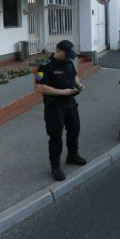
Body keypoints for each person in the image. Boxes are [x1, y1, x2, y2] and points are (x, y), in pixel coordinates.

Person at [35, 40, 86, 181]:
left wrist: (78, 84)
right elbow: (40, 88)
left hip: (70, 103)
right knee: (56, 137)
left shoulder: (68, 62)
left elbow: (74, 75)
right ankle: (55, 166)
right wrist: (64, 92)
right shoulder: (46, 66)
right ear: (57, 51)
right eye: (67, 54)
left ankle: (72, 155)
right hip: (55, 107)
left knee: (74, 130)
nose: (69, 57)